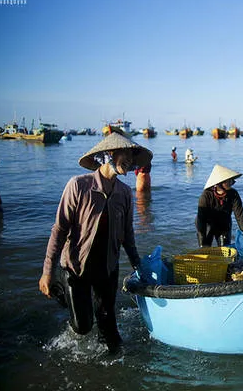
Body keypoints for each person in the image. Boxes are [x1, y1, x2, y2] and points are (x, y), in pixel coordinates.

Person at [38, 133, 152, 353]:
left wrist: (138, 266)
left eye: (132, 156)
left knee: (109, 330)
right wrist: (47, 271)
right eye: (125, 154)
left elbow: (128, 235)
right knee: (82, 327)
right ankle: (64, 294)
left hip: (107, 267)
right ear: (108, 154)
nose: (130, 161)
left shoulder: (124, 193)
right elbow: (59, 230)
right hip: (76, 267)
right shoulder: (78, 186)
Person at [195, 164, 243, 247]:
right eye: (229, 180)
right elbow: (201, 219)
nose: (232, 182)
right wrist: (202, 240)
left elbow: (240, 217)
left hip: (224, 224)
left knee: (224, 247)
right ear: (219, 183)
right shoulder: (206, 195)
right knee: (205, 248)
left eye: (232, 180)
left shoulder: (233, 194)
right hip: (206, 224)